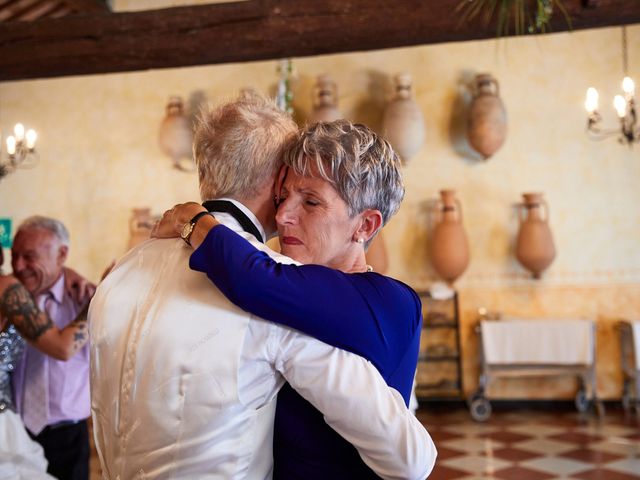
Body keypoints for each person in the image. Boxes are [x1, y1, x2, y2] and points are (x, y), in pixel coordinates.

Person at [89, 93, 436, 480]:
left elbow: (258, 280)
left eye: (310, 202)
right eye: (283, 195)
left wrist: (195, 219)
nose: (285, 214)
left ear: (365, 225)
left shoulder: (125, 272)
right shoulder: (272, 290)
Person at [10, 216, 93, 480]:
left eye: (29, 256)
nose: (19, 265)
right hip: (14, 432)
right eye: (14, 256)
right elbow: (62, 347)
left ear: (62, 254)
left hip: (68, 438)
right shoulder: (10, 300)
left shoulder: (85, 301)